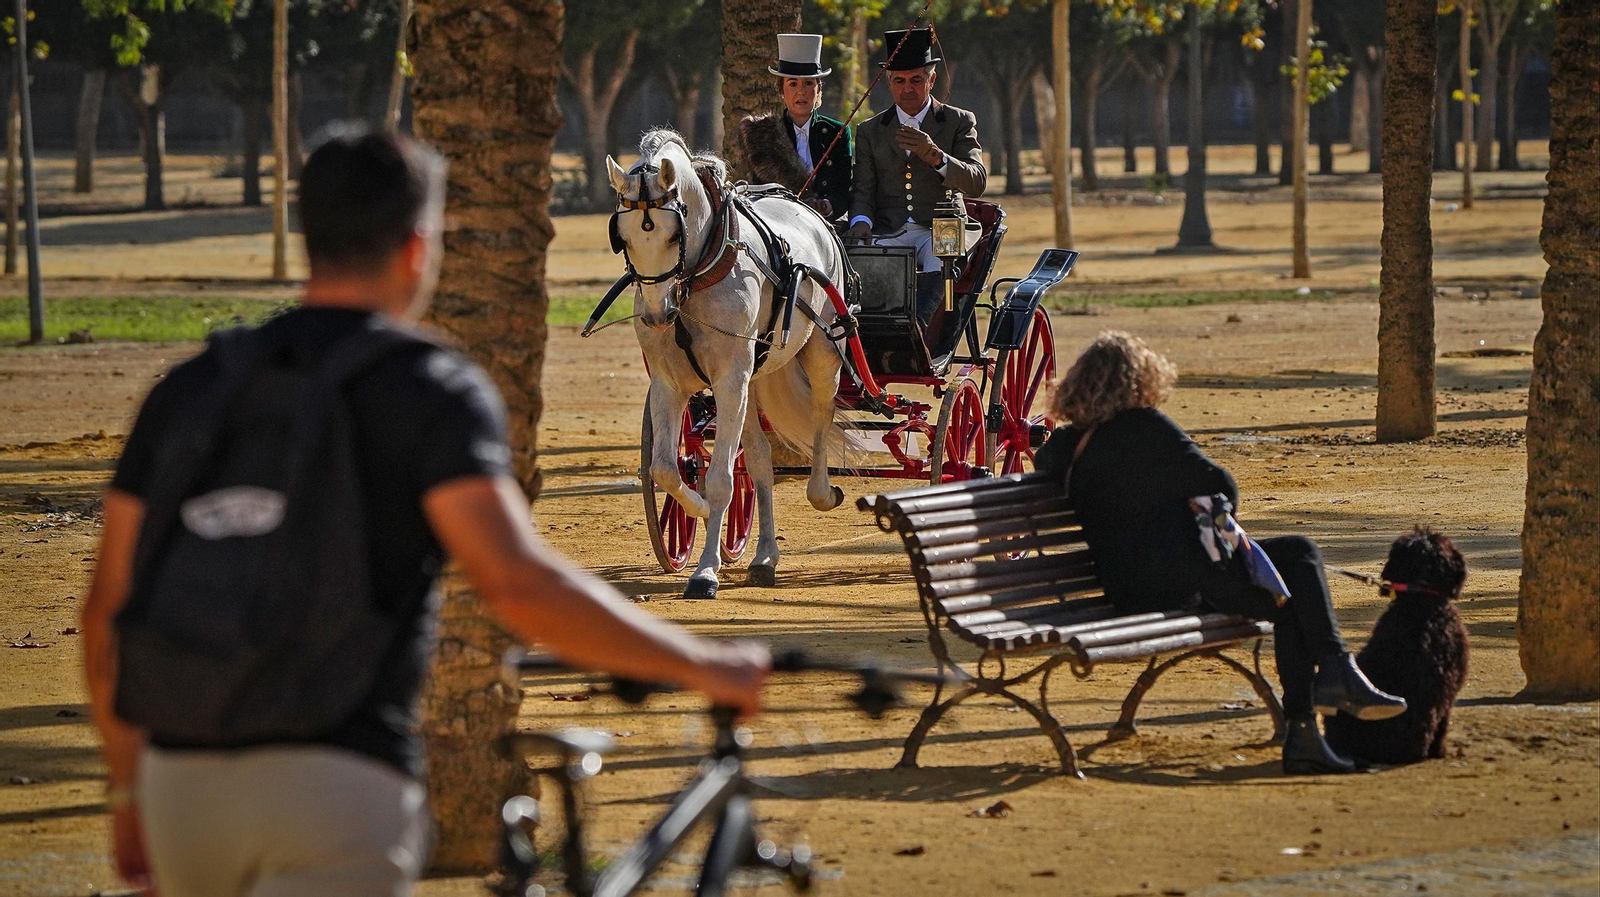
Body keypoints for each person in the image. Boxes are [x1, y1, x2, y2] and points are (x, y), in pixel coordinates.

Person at [80, 125, 768, 897]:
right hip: (340, 787)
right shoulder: (427, 389)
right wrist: (702, 662)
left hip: (182, 787)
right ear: (417, 248)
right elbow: (518, 585)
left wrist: (128, 789)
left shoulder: (192, 387)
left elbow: (107, 608)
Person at [1033, 331, 1405, 776]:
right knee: (1294, 580)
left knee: (1296, 562)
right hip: (1184, 587)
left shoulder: (1061, 449)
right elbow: (1221, 485)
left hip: (1127, 590)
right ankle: (1322, 700)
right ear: (1138, 382)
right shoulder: (1148, 427)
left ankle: (1331, 686)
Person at [845, 27, 987, 323]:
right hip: (890, 229)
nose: (907, 88)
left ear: (931, 80)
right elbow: (863, 190)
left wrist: (935, 155)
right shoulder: (871, 130)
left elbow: (977, 182)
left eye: (916, 80)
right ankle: (870, 336)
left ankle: (920, 331)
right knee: (858, 259)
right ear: (889, 82)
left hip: (943, 225)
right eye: (899, 81)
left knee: (943, 253)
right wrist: (860, 222)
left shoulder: (957, 121)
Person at [738, 33, 853, 221]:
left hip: (826, 225)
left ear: (818, 90)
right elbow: (759, 193)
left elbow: (843, 188)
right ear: (782, 91)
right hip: (778, 223)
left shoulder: (837, 133)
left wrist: (828, 205)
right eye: (793, 84)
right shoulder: (763, 135)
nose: (801, 91)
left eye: (808, 83)